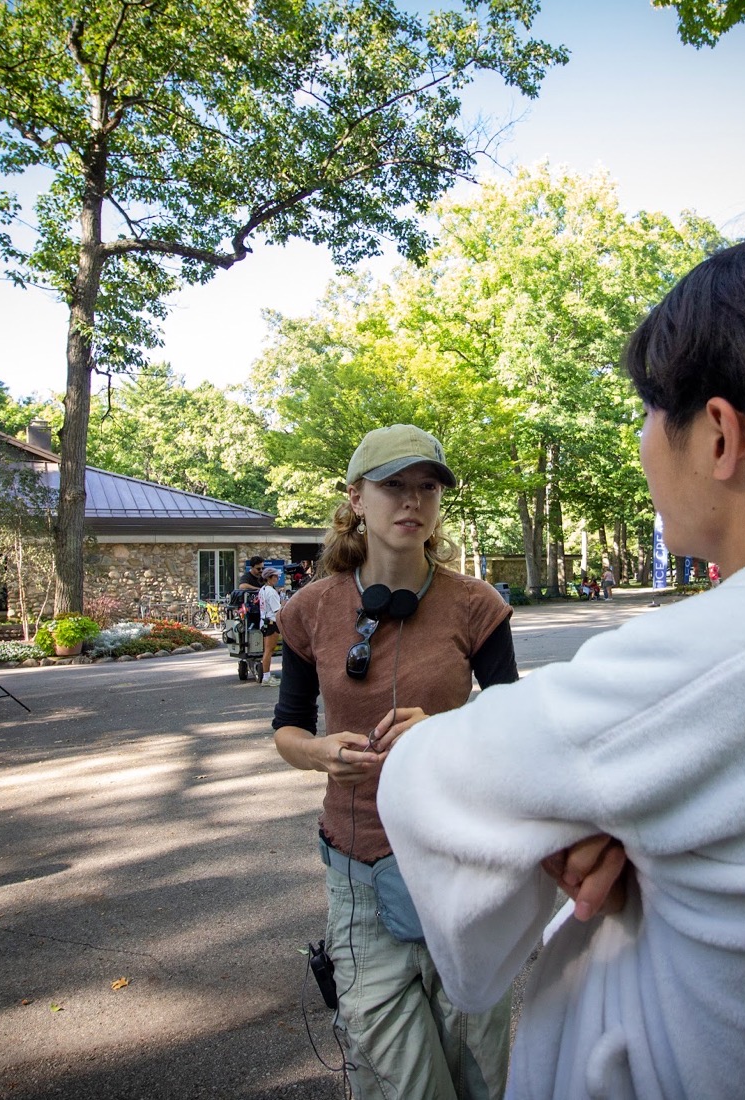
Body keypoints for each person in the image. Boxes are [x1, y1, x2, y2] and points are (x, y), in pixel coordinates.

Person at [379, 226, 745, 1099]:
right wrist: (619, 824)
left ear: (720, 436)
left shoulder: (720, 657)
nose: (647, 443)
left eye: (653, 412)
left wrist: (566, 819)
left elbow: (429, 782)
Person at [271, 424, 519, 1099]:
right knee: (399, 1082)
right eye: (394, 487)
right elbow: (288, 730)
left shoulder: (478, 606)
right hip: (359, 875)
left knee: (479, 1075)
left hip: (462, 870)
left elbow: (519, 732)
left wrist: (444, 733)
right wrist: (321, 752)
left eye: (428, 488)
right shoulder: (310, 611)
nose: (413, 502)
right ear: (355, 497)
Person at [256, 566, 283, 686]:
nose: (277, 578)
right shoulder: (271, 592)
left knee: (267, 650)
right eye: (275, 576)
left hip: (264, 622)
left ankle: (266, 675)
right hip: (271, 623)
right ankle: (266, 677)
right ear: (269, 578)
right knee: (269, 650)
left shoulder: (263, 590)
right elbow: (277, 610)